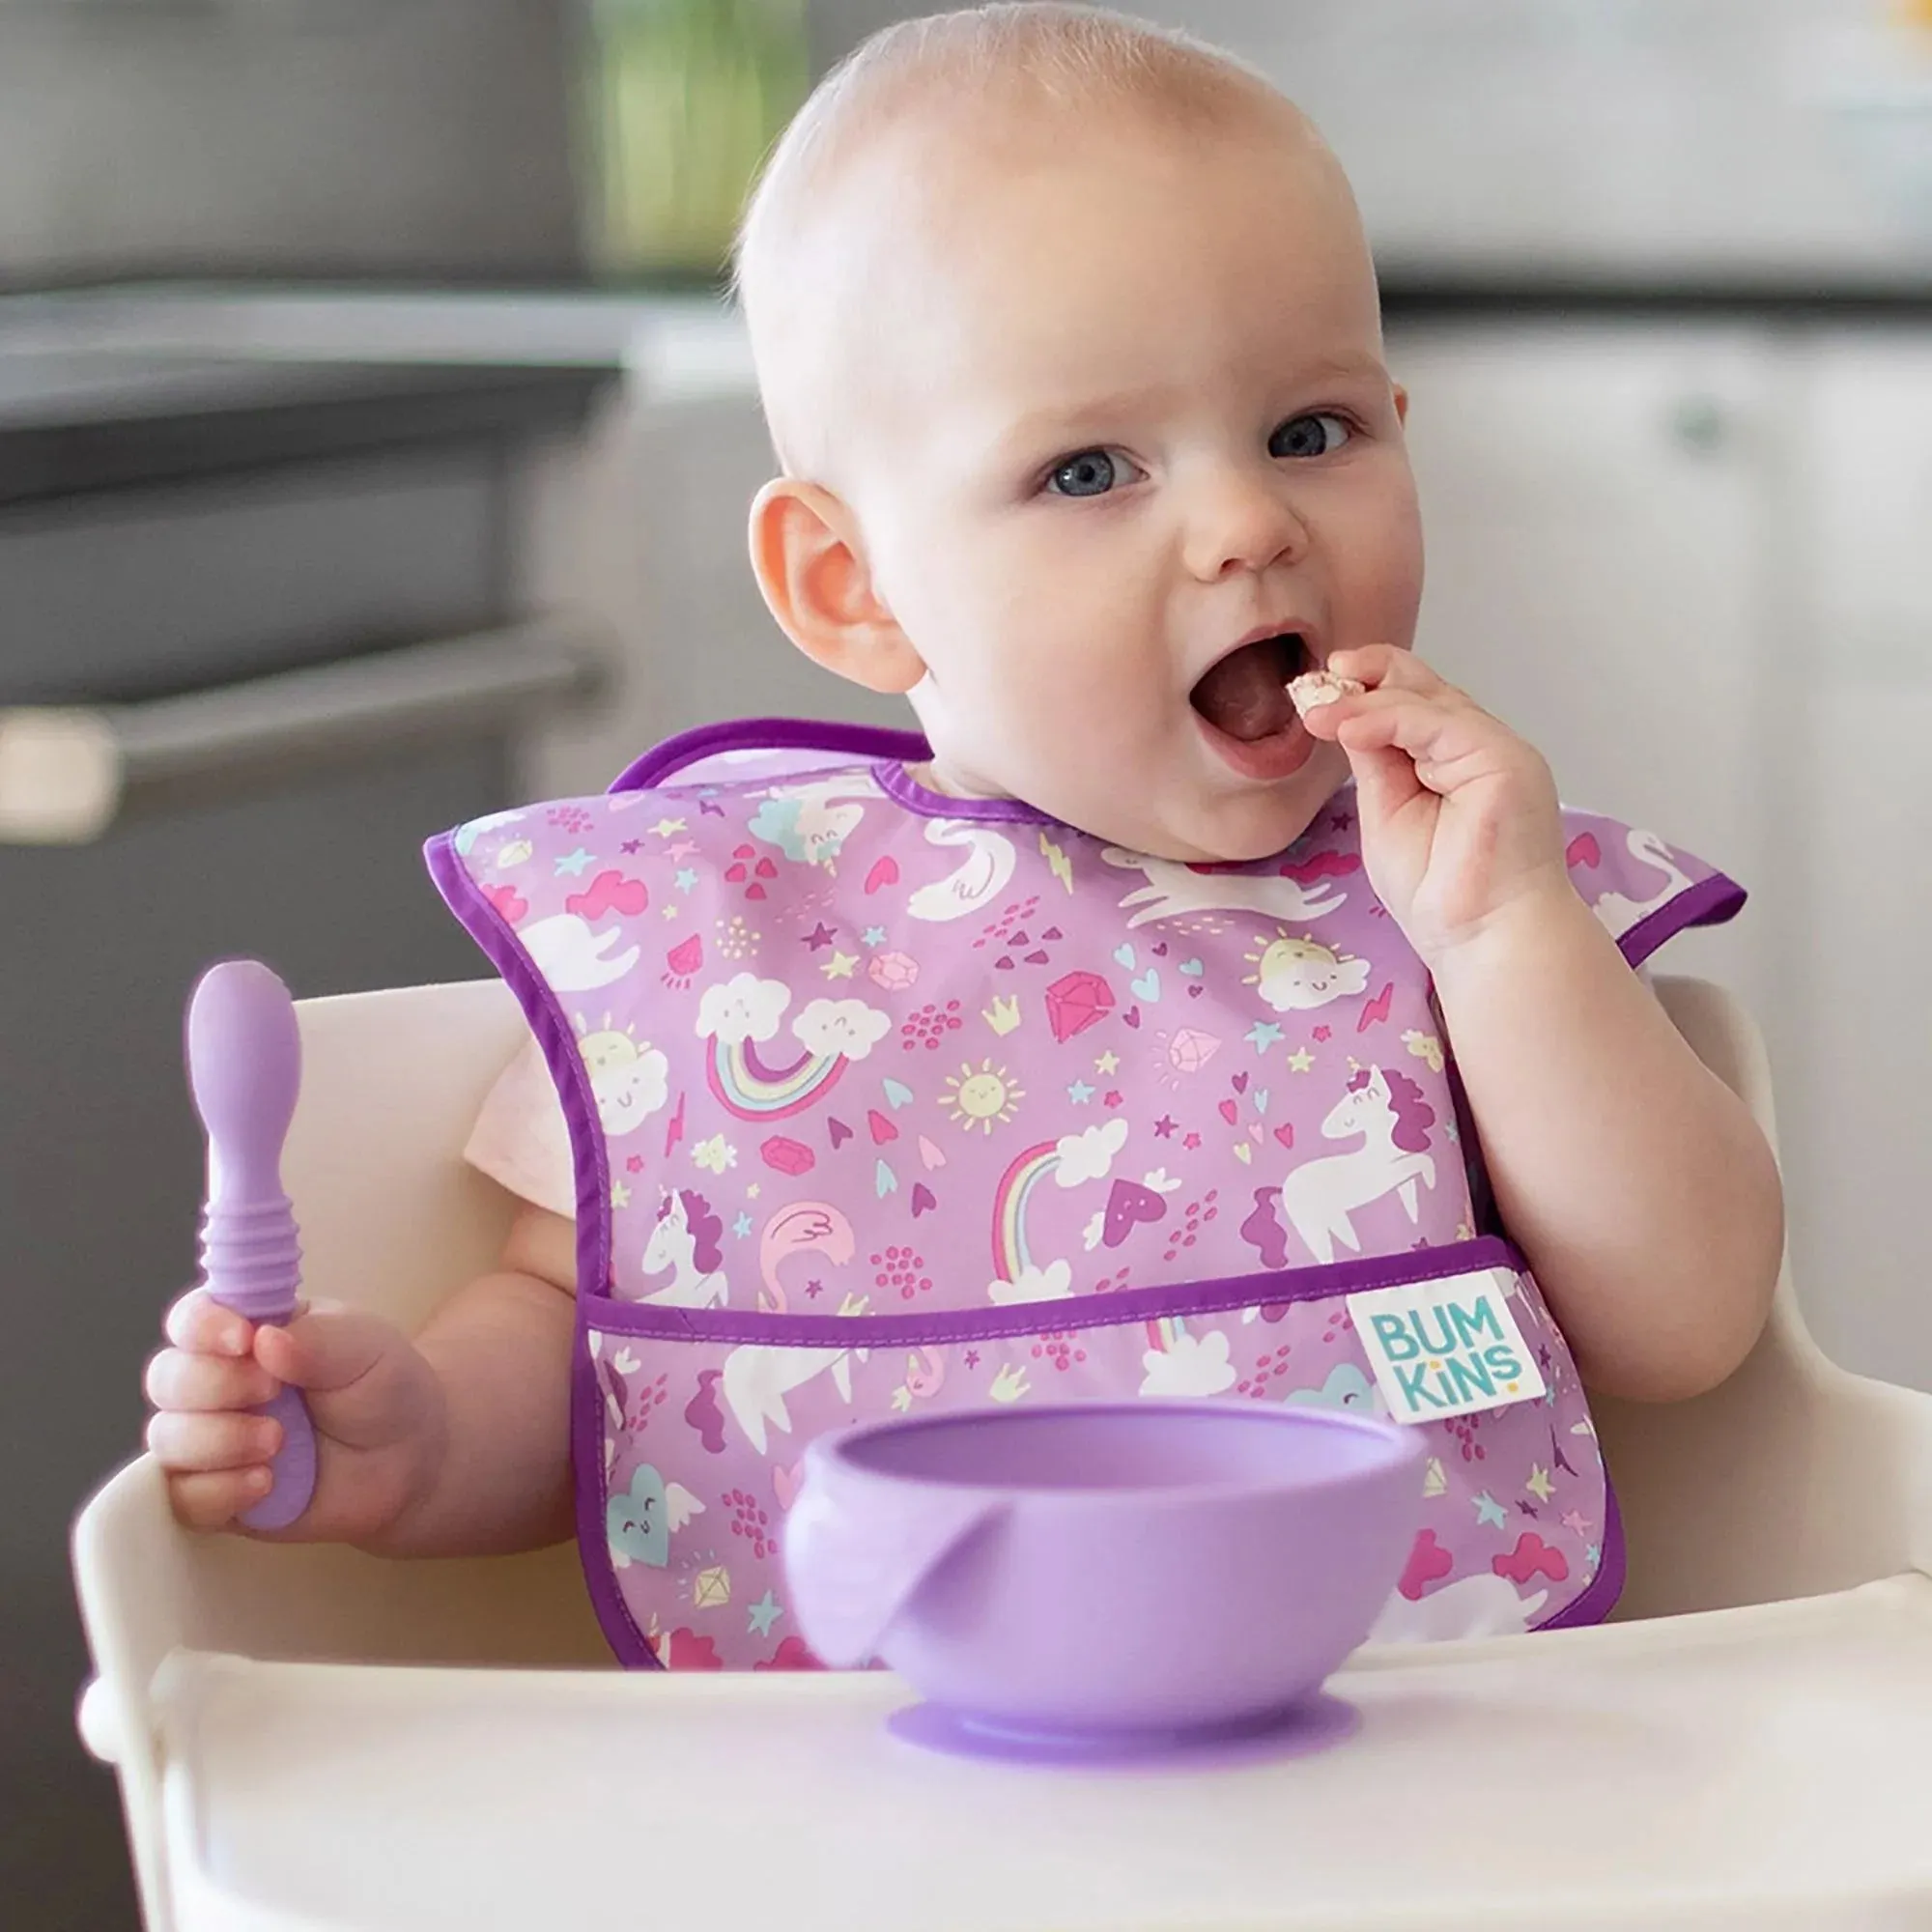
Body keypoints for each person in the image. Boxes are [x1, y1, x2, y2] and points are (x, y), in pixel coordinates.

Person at [143, 3, 1781, 1660]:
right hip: (885, 1815)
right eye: (1089, 471)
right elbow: (604, 1337)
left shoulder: (1453, 893)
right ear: (850, 588)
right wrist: (418, 1439)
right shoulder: (732, 938)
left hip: (1407, 1785)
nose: (1249, 524)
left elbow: (1689, 1324)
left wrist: (1508, 942)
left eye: (1310, 432)